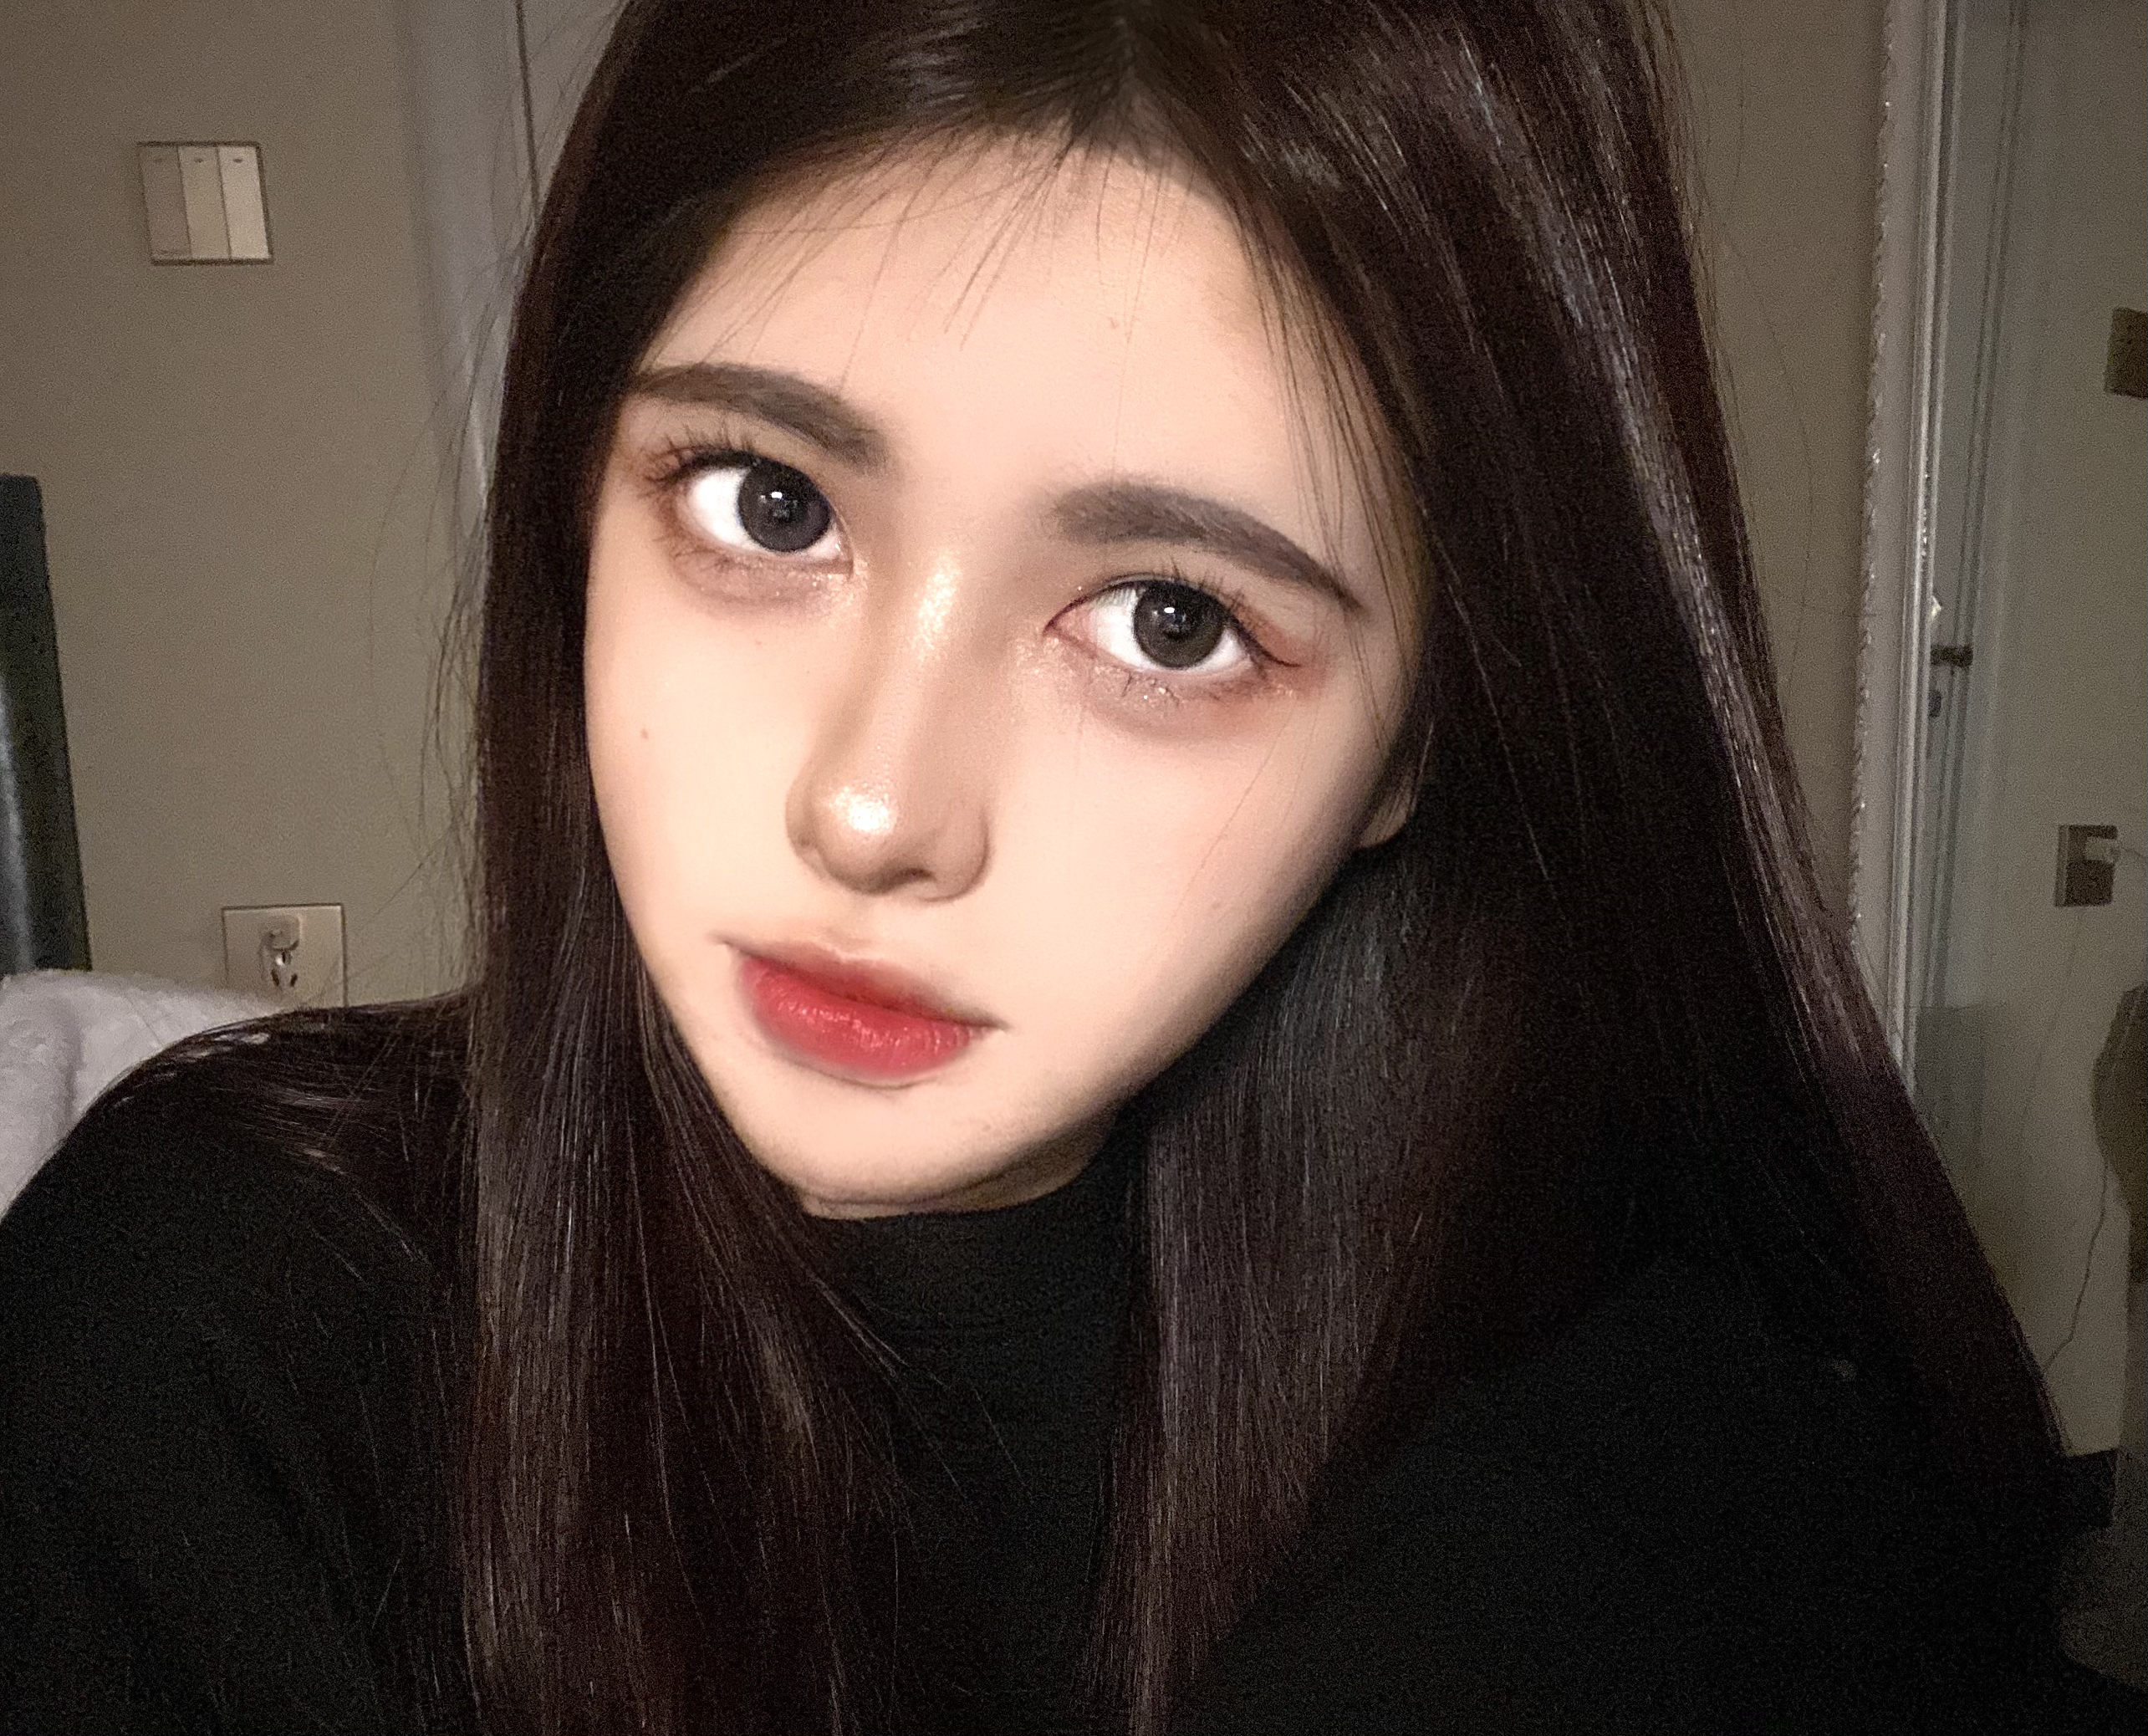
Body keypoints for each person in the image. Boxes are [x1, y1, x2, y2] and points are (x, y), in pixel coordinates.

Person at [1, 1, 2139, 1731]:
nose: (874, 811)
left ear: (1415, 743)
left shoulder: (1620, 1413)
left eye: (1171, 622)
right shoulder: (215, 1325)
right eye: (764, 503)